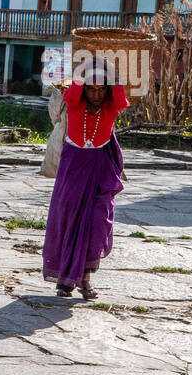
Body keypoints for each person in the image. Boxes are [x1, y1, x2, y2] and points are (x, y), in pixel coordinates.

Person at [42, 74, 130, 300]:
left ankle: (86, 278)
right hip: (73, 166)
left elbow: (120, 100)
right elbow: (72, 93)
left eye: (102, 90)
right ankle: (66, 282)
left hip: (101, 167)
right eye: (92, 89)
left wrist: (114, 73)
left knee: (98, 222)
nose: (97, 94)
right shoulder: (74, 104)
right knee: (69, 219)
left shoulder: (111, 107)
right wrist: (84, 68)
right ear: (84, 90)